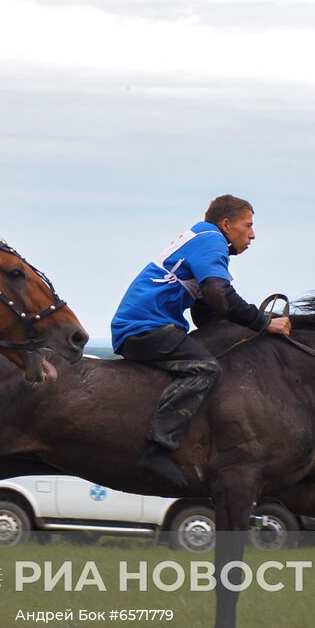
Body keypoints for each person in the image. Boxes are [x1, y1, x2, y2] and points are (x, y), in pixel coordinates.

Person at [110, 194, 291, 489]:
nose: (253, 234)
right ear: (226, 223)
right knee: (205, 368)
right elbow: (220, 294)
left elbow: (208, 310)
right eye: (248, 226)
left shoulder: (201, 238)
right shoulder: (211, 241)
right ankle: (158, 449)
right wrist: (264, 323)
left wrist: (247, 328)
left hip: (149, 325)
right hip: (144, 329)